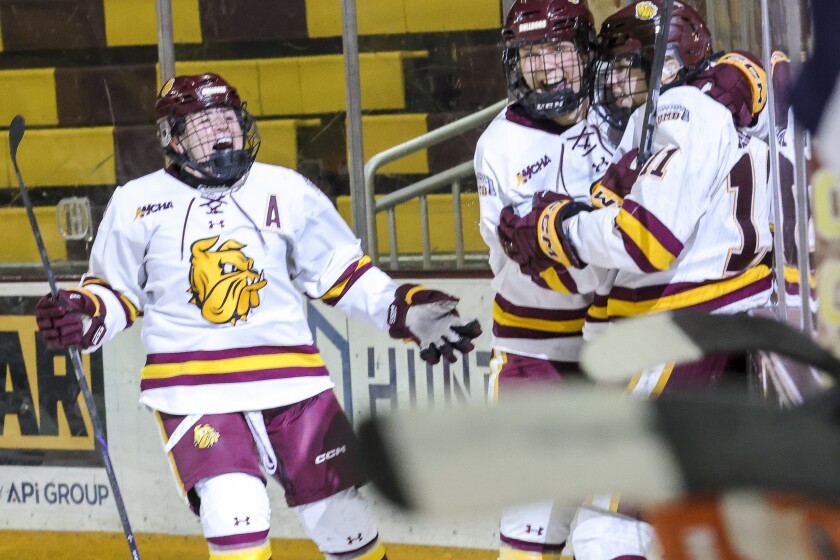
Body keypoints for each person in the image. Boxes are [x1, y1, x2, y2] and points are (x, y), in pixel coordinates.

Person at [33, 73, 481, 560]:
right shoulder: (136, 202)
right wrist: (84, 316)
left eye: (228, 118)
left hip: (295, 385)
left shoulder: (285, 189)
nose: (222, 131)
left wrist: (402, 308)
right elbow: (115, 291)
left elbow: (340, 271)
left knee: (344, 522)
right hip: (193, 389)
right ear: (174, 138)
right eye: (204, 124)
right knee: (233, 512)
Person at [499, 0, 772, 396]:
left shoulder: (680, 107)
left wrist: (556, 228)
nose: (613, 82)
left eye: (628, 67)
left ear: (669, 66)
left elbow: (648, 238)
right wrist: (551, 244)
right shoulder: (707, 105)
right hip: (694, 324)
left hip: (677, 328)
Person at [474, 1, 638, 558]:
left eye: (560, 51)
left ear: (586, 54)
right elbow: (550, 264)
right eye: (531, 54)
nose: (546, 68)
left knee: (622, 531)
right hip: (537, 355)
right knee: (530, 536)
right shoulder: (499, 147)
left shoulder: (626, 115)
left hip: (626, 352)